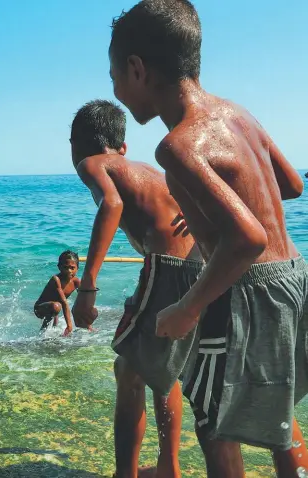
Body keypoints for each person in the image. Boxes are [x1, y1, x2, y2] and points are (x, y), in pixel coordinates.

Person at [108, 1, 307, 477]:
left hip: (244, 291)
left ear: (137, 69)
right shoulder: (237, 114)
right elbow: (292, 185)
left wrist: (188, 307)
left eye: (114, 73)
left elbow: (246, 239)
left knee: (214, 425)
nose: (114, 88)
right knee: (279, 414)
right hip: (294, 278)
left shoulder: (177, 144)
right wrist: (216, 202)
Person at [70, 100, 202, 478]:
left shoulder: (91, 163)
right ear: (122, 145)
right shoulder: (147, 171)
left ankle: (126, 474)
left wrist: (89, 286)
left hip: (166, 269)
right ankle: (168, 467)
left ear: (75, 145)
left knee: (128, 371)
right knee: (162, 372)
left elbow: (110, 204)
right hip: (194, 267)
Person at [34, 250, 81, 336]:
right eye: (66, 267)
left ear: (77, 268)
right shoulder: (56, 279)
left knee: (56, 308)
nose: (69, 271)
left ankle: (53, 331)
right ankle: (42, 333)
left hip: (55, 309)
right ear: (59, 267)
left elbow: (83, 298)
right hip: (40, 309)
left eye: (72, 268)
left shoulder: (76, 281)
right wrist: (69, 326)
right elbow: (63, 302)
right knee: (56, 306)